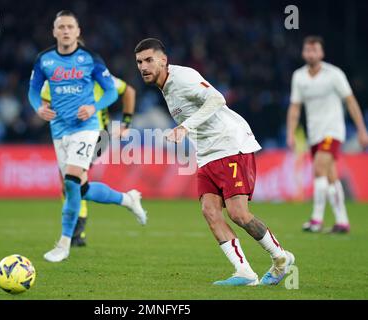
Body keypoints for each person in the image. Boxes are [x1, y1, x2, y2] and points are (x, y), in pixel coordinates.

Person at [134, 38, 295, 286]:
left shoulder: (183, 77)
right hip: (207, 153)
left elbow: (217, 99)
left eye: (148, 60)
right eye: (139, 62)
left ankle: (280, 258)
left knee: (238, 214)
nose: (143, 66)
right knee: (210, 211)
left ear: (163, 60)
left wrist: (184, 127)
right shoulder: (165, 87)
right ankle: (244, 272)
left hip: (230, 145)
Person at [28, 10, 146, 263]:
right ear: (54, 31)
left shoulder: (91, 61)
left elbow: (119, 91)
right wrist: (39, 107)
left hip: (93, 131)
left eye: (71, 26)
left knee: (71, 181)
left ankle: (66, 241)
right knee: (78, 186)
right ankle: (127, 199)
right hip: (60, 132)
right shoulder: (46, 62)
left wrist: (104, 111)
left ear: (78, 31)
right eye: (61, 27)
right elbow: (34, 91)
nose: (66, 31)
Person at [40, 73, 144, 247]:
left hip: (96, 136)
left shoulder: (97, 74)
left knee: (73, 183)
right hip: (70, 136)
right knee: (74, 185)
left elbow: (128, 91)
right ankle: (126, 200)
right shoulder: (54, 77)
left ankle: (76, 233)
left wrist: (126, 121)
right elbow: (44, 104)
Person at [287, 36, 368, 234]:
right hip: (314, 133)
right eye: (308, 50)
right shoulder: (299, 76)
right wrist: (290, 131)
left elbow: (350, 101)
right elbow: (295, 107)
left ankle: (316, 220)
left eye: (315, 50)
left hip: (332, 130)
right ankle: (342, 221)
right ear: (303, 53)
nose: (311, 53)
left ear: (321, 53)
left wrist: (361, 129)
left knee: (318, 169)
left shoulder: (334, 74)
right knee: (331, 176)